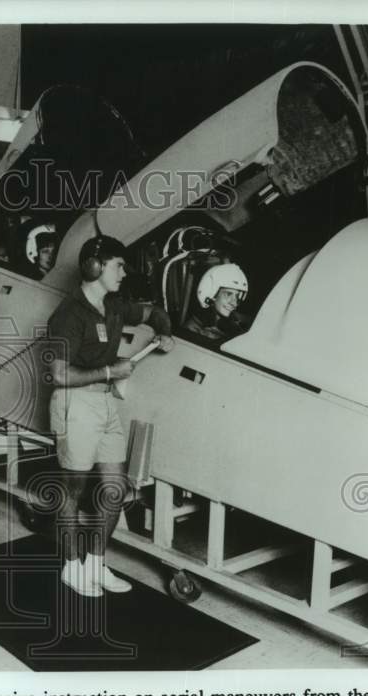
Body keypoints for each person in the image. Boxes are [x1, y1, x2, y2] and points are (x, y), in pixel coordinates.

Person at [47, 234, 175, 597]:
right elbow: (58, 374)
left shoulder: (115, 305)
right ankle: (72, 569)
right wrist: (109, 372)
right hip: (75, 404)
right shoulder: (68, 314)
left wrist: (166, 332)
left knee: (116, 490)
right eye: (118, 265)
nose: (124, 272)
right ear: (95, 266)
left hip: (105, 404)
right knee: (73, 491)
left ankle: (95, 564)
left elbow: (154, 314)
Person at [184, 263, 250, 341]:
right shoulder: (191, 329)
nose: (234, 303)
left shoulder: (233, 323)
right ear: (211, 292)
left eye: (237, 296)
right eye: (228, 294)